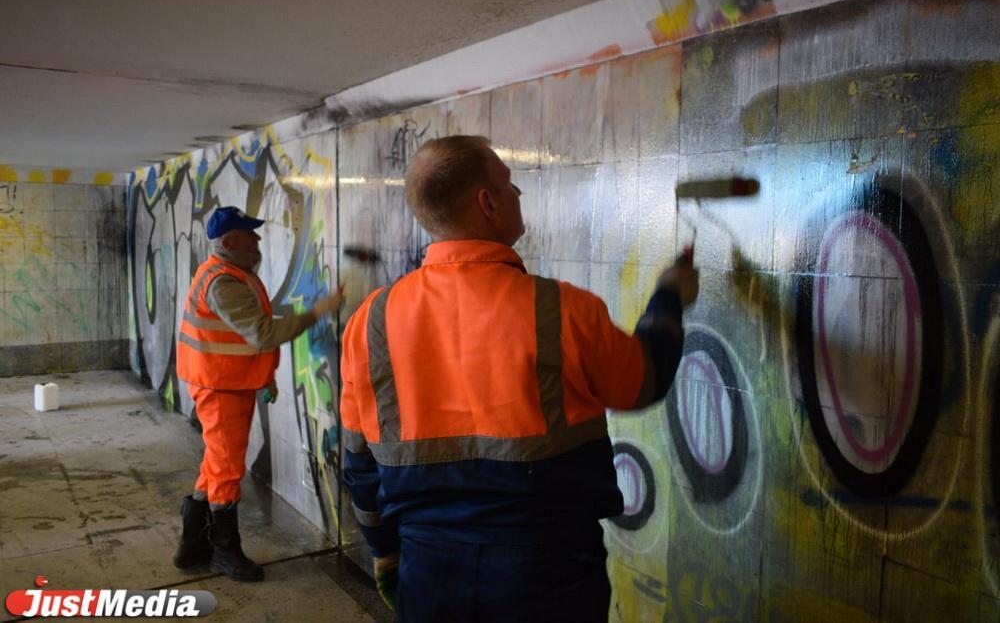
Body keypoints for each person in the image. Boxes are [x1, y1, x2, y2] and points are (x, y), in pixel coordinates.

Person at [339, 136, 699, 621]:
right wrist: (668, 298)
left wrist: (384, 549)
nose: (518, 195)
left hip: (428, 573)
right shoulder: (563, 308)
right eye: (509, 185)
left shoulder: (370, 322)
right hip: (549, 577)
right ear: (486, 203)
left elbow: (358, 461)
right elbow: (645, 381)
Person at [173, 206, 344, 582]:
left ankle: (192, 546)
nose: (258, 239)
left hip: (228, 381)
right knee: (227, 469)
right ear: (229, 241)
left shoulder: (233, 274)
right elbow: (263, 333)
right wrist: (318, 312)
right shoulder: (224, 282)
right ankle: (223, 552)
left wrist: (264, 376)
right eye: (249, 234)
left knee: (215, 465)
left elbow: (244, 339)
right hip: (220, 387)